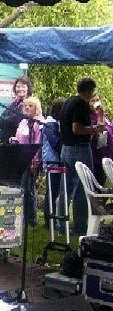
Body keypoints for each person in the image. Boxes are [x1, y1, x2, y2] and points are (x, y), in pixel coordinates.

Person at [59, 77, 102, 235]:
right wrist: (94, 129)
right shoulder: (81, 104)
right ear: (90, 90)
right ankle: (80, 225)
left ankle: (61, 223)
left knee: (66, 188)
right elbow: (77, 128)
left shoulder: (69, 101)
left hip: (66, 148)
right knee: (82, 187)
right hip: (79, 148)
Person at [14, 96, 45, 226]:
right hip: (20, 158)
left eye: (30, 106)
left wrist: (35, 161)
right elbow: (18, 137)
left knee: (28, 188)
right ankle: (21, 217)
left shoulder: (39, 123)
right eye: (26, 106)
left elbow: (38, 143)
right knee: (21, 188)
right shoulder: (23, 122)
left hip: (31, 160)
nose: (27, 108)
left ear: (36, 109)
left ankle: (31, 218)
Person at [41, 98, 64, 226]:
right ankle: (49, 220)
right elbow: (56, 143)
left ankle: (55, 218)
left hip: (57, 161)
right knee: (52, 192)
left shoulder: (56, 124)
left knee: (57, 191)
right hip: (52, 162)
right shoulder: (50, 124)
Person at [0, 76, 33, 144]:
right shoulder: (13, 103)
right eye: (18, 86)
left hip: (19, 142)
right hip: (5, 141)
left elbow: (15, 121)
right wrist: (6, 121)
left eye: (23, 86)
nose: (20, 89)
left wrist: (6, 120)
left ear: (28, 88)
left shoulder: (30, 104)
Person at [89, 93, 113, 184]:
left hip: (107, 156)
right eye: (93, 100)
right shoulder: (90, 117)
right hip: (97, 157)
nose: (96, 103)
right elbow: (98, 134)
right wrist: (99, 116)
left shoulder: (103, 115)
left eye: (97, 100)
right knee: (98, 185)